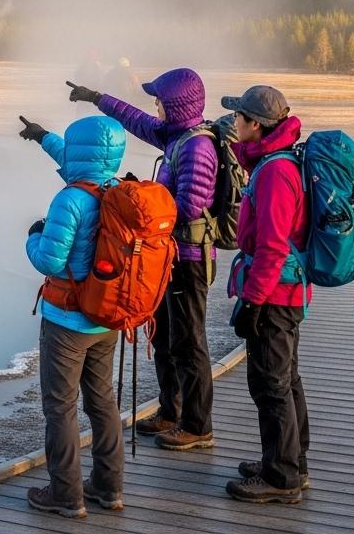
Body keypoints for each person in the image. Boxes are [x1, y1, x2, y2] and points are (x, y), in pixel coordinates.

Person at [69, 68, 218, 451]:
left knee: (189, 341)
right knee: (165, 335)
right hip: (168, 256)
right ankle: (172, 410)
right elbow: (137, 121)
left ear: (177, 105)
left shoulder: (197, 147)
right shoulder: (177, 136)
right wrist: (97, 97)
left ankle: (198, 425)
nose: (155, 105)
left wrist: (144, 198)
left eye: (161, 100)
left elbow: (190, 207)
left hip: (189, 259)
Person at [18, 114, 128, 519]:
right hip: (107, 318)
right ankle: (108, 487)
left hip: (67, 320)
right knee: (102, 402)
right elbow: (78, 160)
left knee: (60, 407)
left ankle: (66, 494)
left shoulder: (71, 199)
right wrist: (44, 138)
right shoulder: (119, 189)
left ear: (80, 149)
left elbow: (49, 259)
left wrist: (32, 235)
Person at [221, 85, 310, 504]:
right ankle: (289, 460)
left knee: (271, 383)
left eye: (239, 116)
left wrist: (253, 302)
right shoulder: (278, 161)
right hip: (283, 291)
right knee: (285, 379)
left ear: (256, 125)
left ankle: (282, 477)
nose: (234, 122)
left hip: (274, 294)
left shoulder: (275, 172)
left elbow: (273, 246)